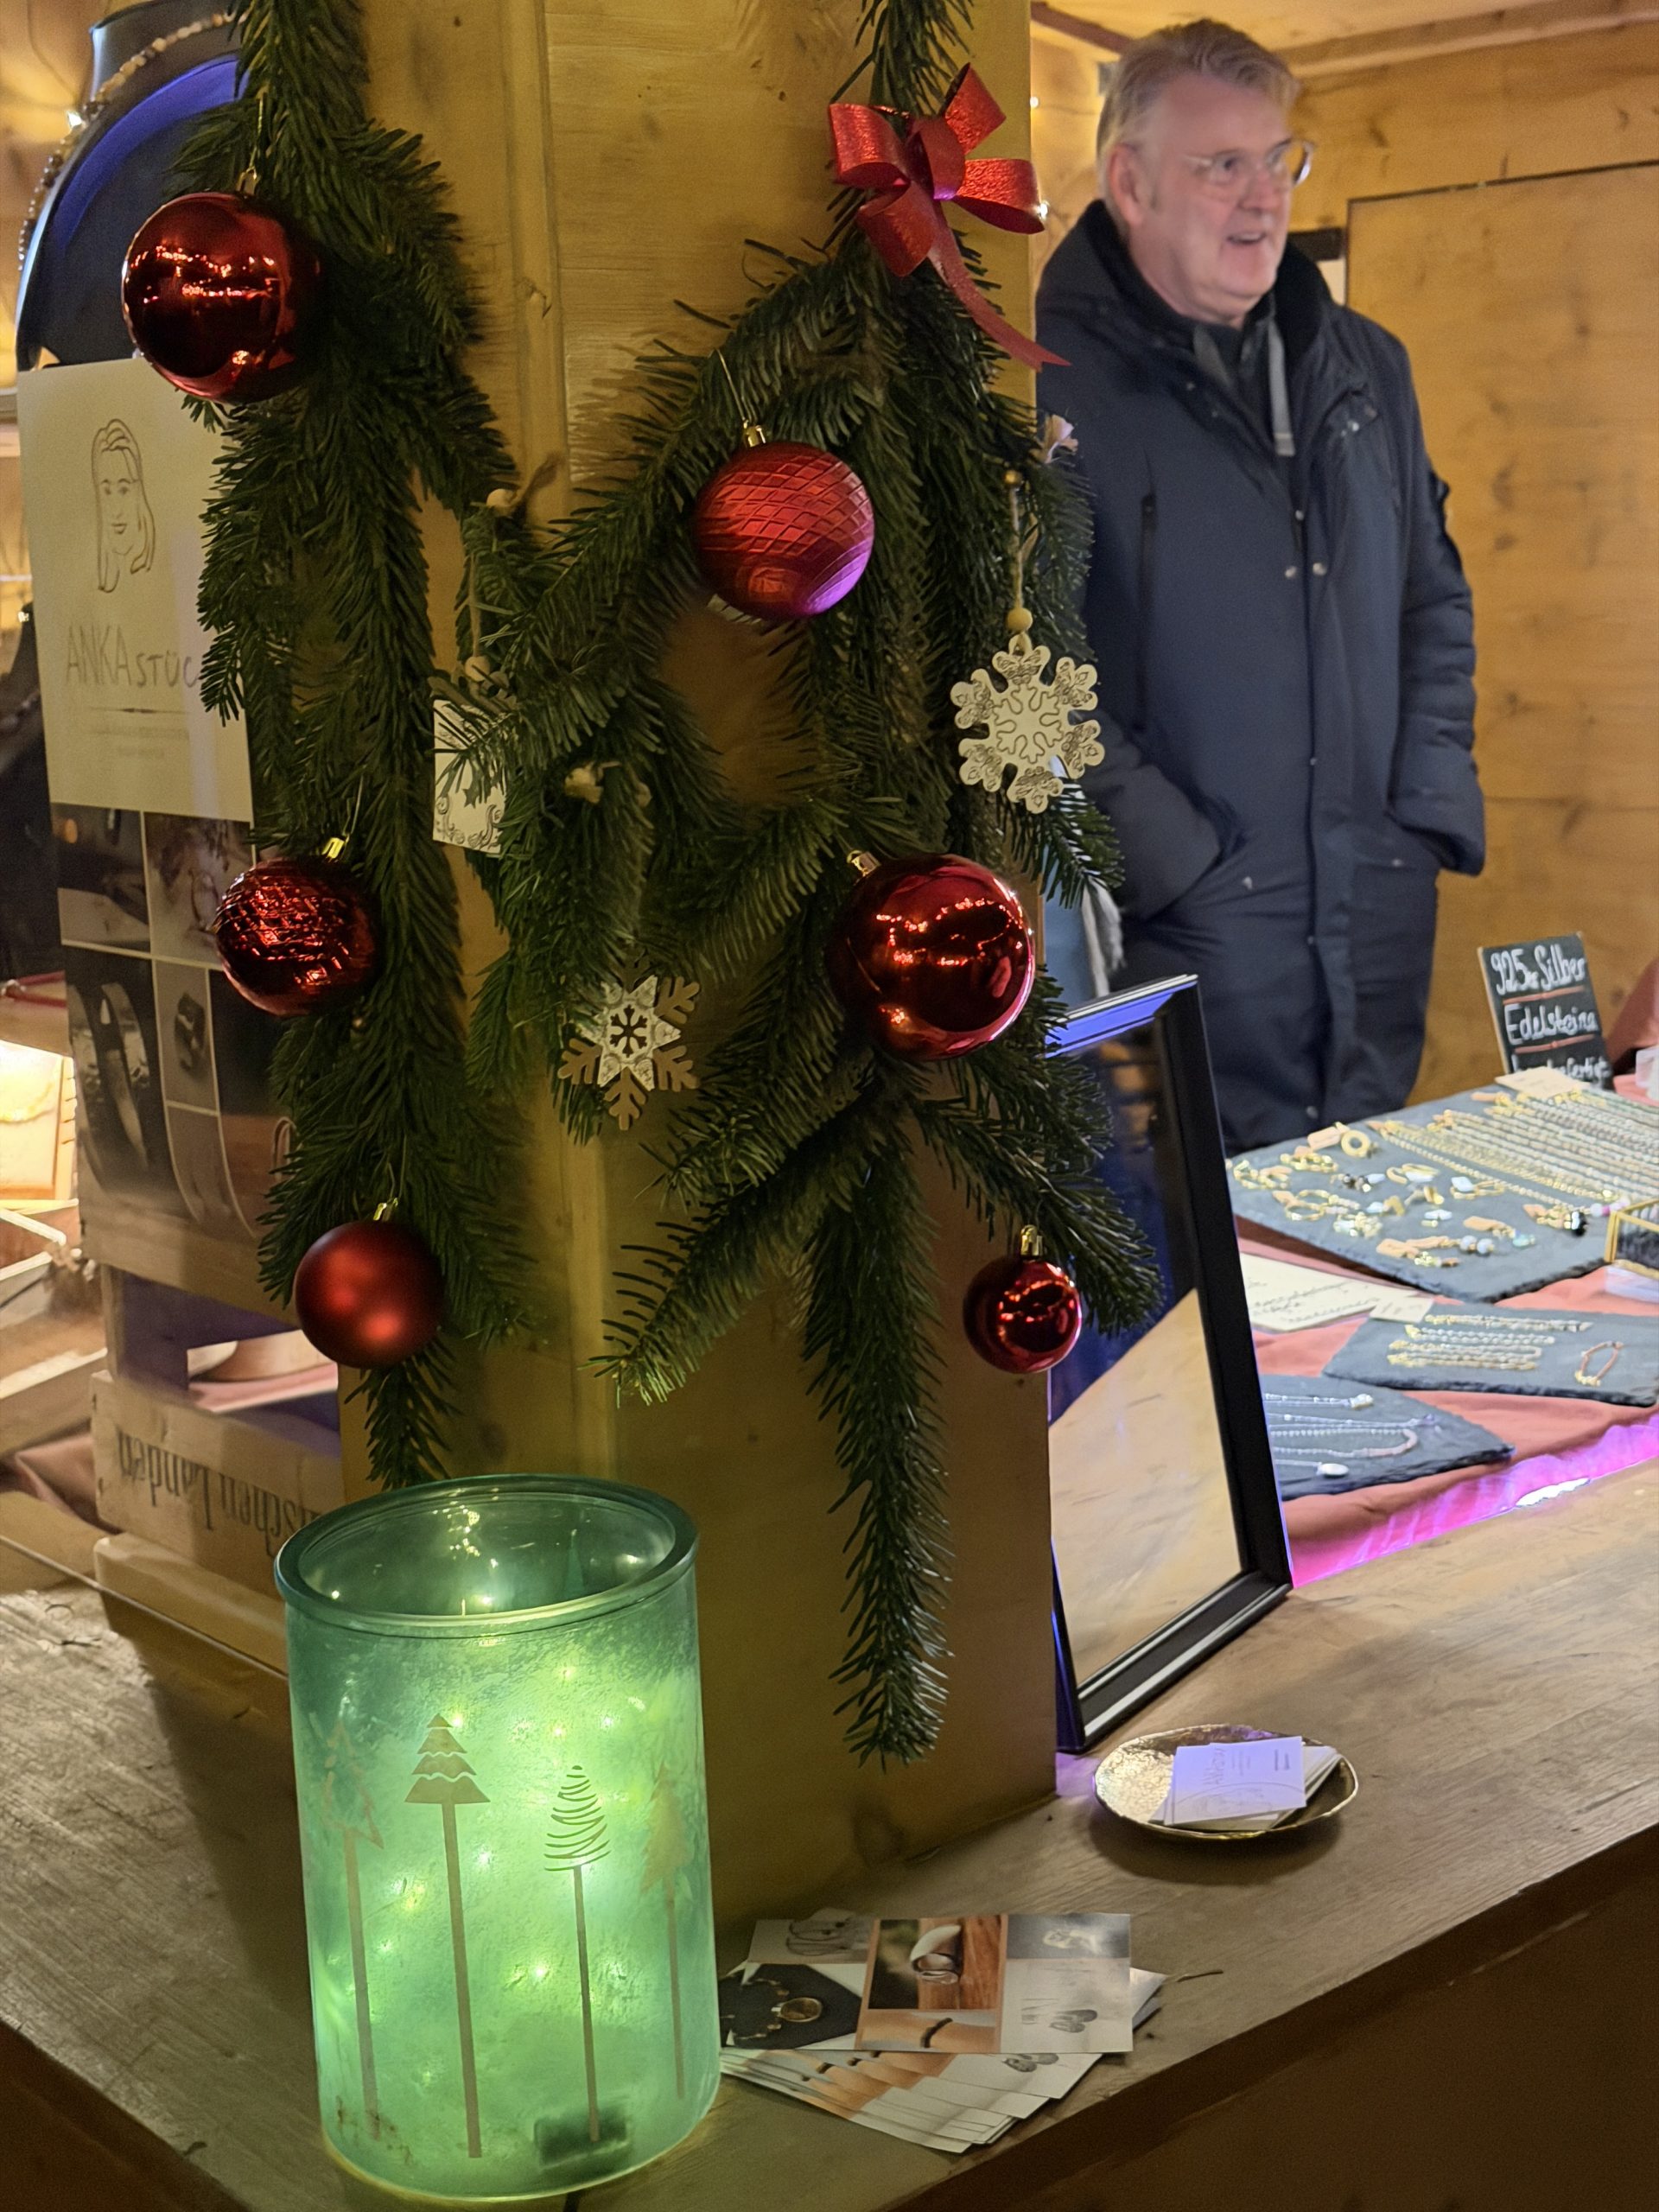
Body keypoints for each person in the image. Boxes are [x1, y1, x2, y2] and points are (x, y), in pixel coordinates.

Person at [1037, 20, 1483, 1153]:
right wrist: (1174, 864)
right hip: (1177, 939)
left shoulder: (1369, 367)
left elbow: (1432, 598)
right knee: (1193, 1253)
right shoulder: (1041, 376)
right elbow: (1032, 665)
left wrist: (1420, 812)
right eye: (1221, 165)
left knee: (1360, 1233)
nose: (1264, 197)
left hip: (1372, 923)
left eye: (1279, 160)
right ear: (1130, 183)